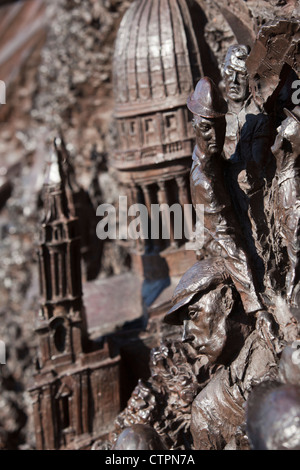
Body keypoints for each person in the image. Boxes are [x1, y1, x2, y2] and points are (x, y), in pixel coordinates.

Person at [164, 257, 279, 450]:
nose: (185, 336)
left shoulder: (279, 343)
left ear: (226, 299)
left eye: (193, 314)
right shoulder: (208, 411)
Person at [187, 76, 265, 316]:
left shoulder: (216, 162)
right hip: (238, 267)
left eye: (219, 127)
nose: (214, 136)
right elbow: (231, 248)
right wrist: (257, 308)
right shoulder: (205, 183)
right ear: (193, 126)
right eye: (205, 128)